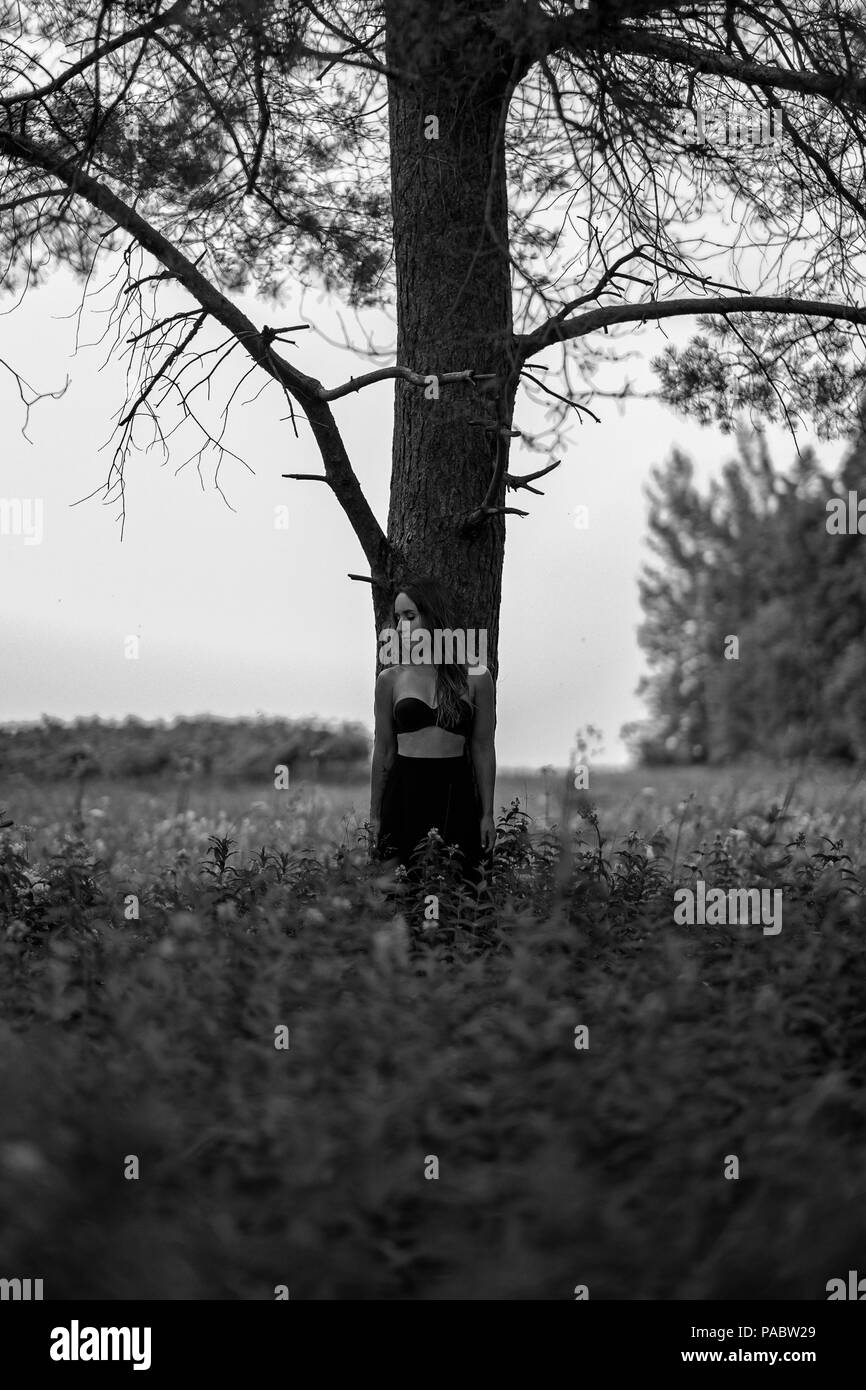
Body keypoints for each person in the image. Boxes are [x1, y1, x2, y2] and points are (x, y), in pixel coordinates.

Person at [368, 574, 496, 883]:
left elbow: (482, 747)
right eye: (397, 618)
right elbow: (383, 749)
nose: (401, 626)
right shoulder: (390, 679)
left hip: (456, 792)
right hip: (404, 793)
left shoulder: (476, 677)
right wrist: (374, 817)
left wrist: (487, 813)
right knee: (404, 890)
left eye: (409, 616)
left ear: (433, 616)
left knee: (460, 889)